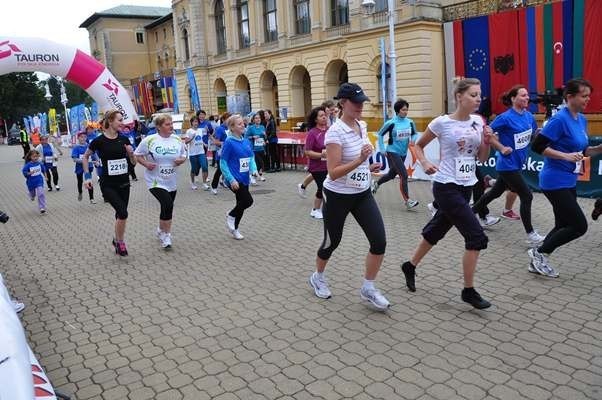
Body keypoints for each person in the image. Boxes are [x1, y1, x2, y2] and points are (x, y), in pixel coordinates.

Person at [400, 78, 494, 310]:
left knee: (436, 231)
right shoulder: (442, 123)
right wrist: (424, 162)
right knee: (476, 237)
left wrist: (487, 141)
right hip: (445, 186)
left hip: (466, 185)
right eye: (473, 95)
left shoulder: (478, 122)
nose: (478, 99)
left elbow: (481, 158)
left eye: (479, 95)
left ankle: (410, 266)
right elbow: (418, 145)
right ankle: (468, 291)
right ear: (459, 97)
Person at [309, 83, 389, 311]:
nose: (360, 106)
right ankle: (318, 276)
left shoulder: (361, 125)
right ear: (342, 104)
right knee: (332, 241)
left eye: (362, 101)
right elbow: (333, 172)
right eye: (356, 102)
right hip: (337, 195)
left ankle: (368, 287)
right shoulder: (335, 132)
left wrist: (367, 166)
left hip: (362, 192)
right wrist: (359, 161)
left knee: (379, 241)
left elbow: (360, 161)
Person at [529, 78, 602, 277]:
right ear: (570, 97)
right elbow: (537, 146)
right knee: (579, 226)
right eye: (584, 96)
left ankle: (537, 258)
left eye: (589, 96)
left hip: (569, 179)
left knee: (562, 225)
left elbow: (584, 149)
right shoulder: (559, 120)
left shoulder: (582, 119)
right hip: (554, 181)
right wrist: (565, 156)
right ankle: (539, 253)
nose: (587, 100)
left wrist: (599, 148)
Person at [471, 85, 545, 245]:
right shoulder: (505, 117)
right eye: (523, 95)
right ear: (513, 98)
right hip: (507, 165)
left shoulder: (529, 117)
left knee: (494, 193)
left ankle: (469, 214)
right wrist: (501, 147)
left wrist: (540, 134)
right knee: (527, 195)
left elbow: (531, 137)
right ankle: (531, 234)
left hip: (518, 163)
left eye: (527, 95)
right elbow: (487, 132)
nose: (527, 98)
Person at [83, 110, 136, 257]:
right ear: (110, 121)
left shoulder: (124, 139)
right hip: (108, 184)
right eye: (119, 120)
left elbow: (134, 163)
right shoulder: (98, 141)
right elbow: (85, 157)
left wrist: (131, 154)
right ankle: (120, 242)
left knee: (120, 214)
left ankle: (116, 239)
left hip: (124, 183)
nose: (122, 123)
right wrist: (87, 177)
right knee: (123, 213)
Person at [135, 114, 187, 249]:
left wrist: (182, 160)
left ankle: (160, 229)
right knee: (168, 204)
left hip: (171, 179)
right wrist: (146, 164)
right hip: (154, 180)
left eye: (171, 123)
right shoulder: (150, 140)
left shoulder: (177, 139)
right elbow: (137, 155)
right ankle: (167, 236)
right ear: (158, 127)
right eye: (167, 124)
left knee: (166, 207)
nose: (171, 126)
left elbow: (183, 154)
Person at [372, 98, 420, 210]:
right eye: (403, 110)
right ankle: (408, 200)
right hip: (392, 152)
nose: (406, 112)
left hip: (403, 153)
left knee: (391, 175)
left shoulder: (410, 122)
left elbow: (415, 133)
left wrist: (413, 140)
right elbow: (380, 135)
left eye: (407, 110)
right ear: (398, 110)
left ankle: (376, 184)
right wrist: (382, 149)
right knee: (404, 175)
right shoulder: (391, 123)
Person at [221, 114, 257, 240]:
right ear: (232, 127)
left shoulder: (246, 141)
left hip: (244, 178)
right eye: (239, 124)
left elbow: (251, 157)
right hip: (234, 179)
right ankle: (231, 215)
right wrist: (231, 179)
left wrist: (254, 170)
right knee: (248, 201)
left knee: (241, 204)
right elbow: (223, 163)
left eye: (243, 123)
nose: (243, 125)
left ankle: (235, 229)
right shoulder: (229, 142)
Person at [304, 106, 329, 219]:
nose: (324, 117)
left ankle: (323, 209)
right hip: (317, 167)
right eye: (321, 116)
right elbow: (307, 152)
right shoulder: (312, 133)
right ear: (315, 119)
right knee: (322, 187)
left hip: (329, 165)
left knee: (327, 187)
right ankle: (315, 210)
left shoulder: (330, 130)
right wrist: (321, 155)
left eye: (324, 115)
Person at [184, 117, 210, 190]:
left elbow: (201, 139)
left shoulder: (200, 130)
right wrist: (191, 138)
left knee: (204, 167)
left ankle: (204, 183)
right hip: (193, 153)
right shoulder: (189, 131)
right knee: (194, 169)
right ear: (191, 123)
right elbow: (186, 141)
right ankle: (192, 183)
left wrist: (204, 144)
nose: (196, 123)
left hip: (201, 152)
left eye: (197, 122)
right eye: (194, 122)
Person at [71, 132, 96, 203]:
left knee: (89, 181)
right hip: (79, 167)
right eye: (81, 137)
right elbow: (74, 159)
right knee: (80, 181)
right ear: (78, 138)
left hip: (88, 167)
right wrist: (84, 161)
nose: (83, 138)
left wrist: (96, 160)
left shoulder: (88, 146)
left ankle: (91, 198)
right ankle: (80, 192)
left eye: (85, 137)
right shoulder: (76, 147)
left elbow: (94, 154)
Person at [210, 112, 230, 195]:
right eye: (228, 119)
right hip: (221, 153)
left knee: (228, 169)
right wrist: (225, 143)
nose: (229, 121)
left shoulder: (231, 128)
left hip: (230, 152)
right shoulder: (220, 129)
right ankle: (213, 186)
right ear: (223, 120)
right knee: (220, 170)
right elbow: (216, 142)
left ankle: (223, 181)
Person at [22, 149, 46, 214]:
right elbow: (24, 173)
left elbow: (43, 170)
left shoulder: (39, 163)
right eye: (34, 156)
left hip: (39, 180)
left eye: (36, 156)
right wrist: (29, 173)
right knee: (33, 194)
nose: (35, 158)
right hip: (31, 182)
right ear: (30, 157)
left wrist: (46, 177)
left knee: (41, 193)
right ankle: (32, 195)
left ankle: (42, 207)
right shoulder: (27, 165)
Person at [245, 113, 267, 182]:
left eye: (259, 118)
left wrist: (265, 139)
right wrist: (253, 137)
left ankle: (253, 175)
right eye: (256, 118)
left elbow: (264, 137)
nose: (258, 119)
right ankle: (255, 176)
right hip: (254, 148)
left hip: (262, 147)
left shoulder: (262, 127)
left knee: (261, 163)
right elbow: (246, 137)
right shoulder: (251, 128)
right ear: (254, 120)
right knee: (259, 163)